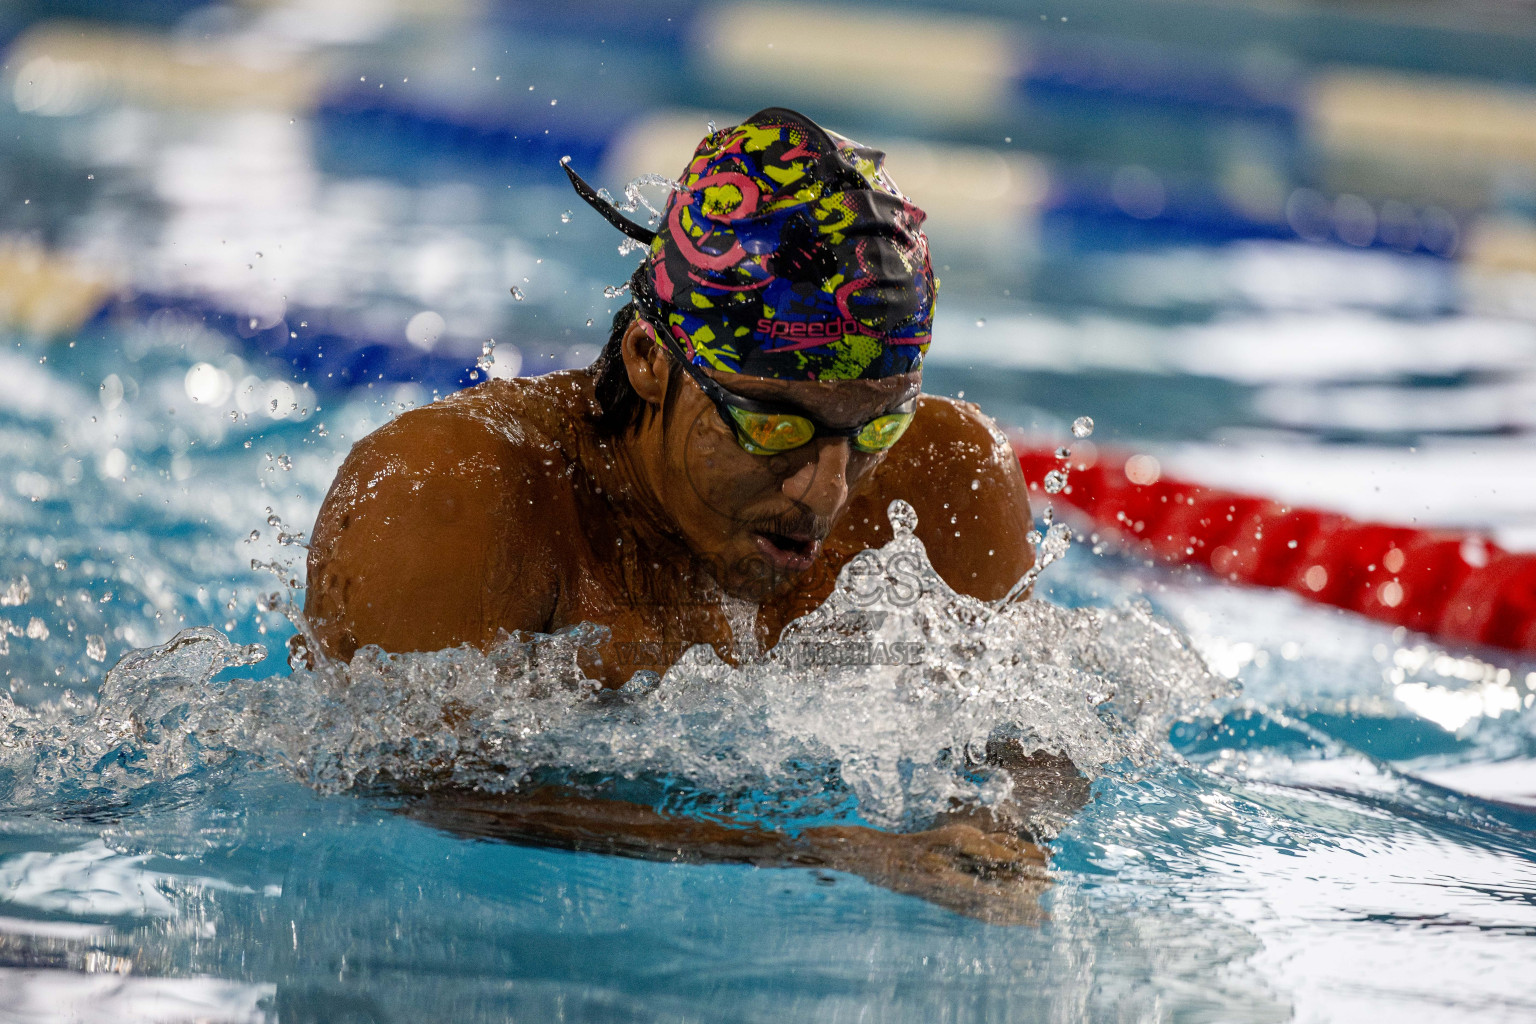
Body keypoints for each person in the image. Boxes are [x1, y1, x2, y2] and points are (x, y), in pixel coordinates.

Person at [303, 108, 1069, 922]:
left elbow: (1040, 727)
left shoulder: (945, 477)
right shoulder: (451, 497)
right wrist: (806, 851)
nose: (829, 490)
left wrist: (1001, 820)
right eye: (777, 424)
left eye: (874, 427)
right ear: (646, 359)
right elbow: (404, 787)